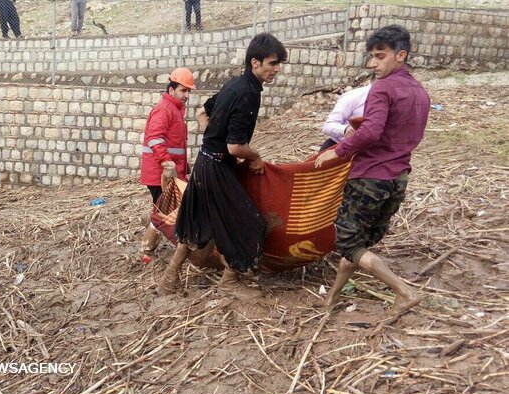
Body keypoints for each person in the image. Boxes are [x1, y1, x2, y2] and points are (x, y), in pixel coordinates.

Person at [158, 33, 287, 298]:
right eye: (273, 63)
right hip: (217, 167)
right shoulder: (249, 94)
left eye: (278, 64)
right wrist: (256, 157)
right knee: (248, 224)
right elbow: (235, 147)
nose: (277, 69)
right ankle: (229, 280)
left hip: (204, 162)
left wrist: (209, 137)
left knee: (196, 221)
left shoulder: (235, 84)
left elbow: (203, 110)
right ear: (255, 62)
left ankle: (169, 279)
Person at [315, 25, 430, 315]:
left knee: (349, 243)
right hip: (398, 179)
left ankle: (404, 292)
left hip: (370, 178)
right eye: (372, 56)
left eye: (380, 56)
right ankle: (332, 296)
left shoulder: (382, 88)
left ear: (400, 55)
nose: (373, 64)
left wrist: (337, 153)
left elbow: (370, 131)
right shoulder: (419, 91)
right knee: (360, 245)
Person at [140, 67, 195, 253]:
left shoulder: (174, 109)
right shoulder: (165, 109)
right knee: (165, 212)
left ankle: (149, 245)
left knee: (164, 210)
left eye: (188, 91)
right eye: (183, 90)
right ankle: (147, 249)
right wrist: (165, 161)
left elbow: (173, 143)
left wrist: (182, 164)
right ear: (171, 90)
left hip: (168, 171)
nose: (186, 95)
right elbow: (155, 138)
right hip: (160, 173)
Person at [319, 80, 372, 151]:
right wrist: (345, 129)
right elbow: (327, 126)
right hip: (338, 147)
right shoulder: (354, 97)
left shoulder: (389, 100)